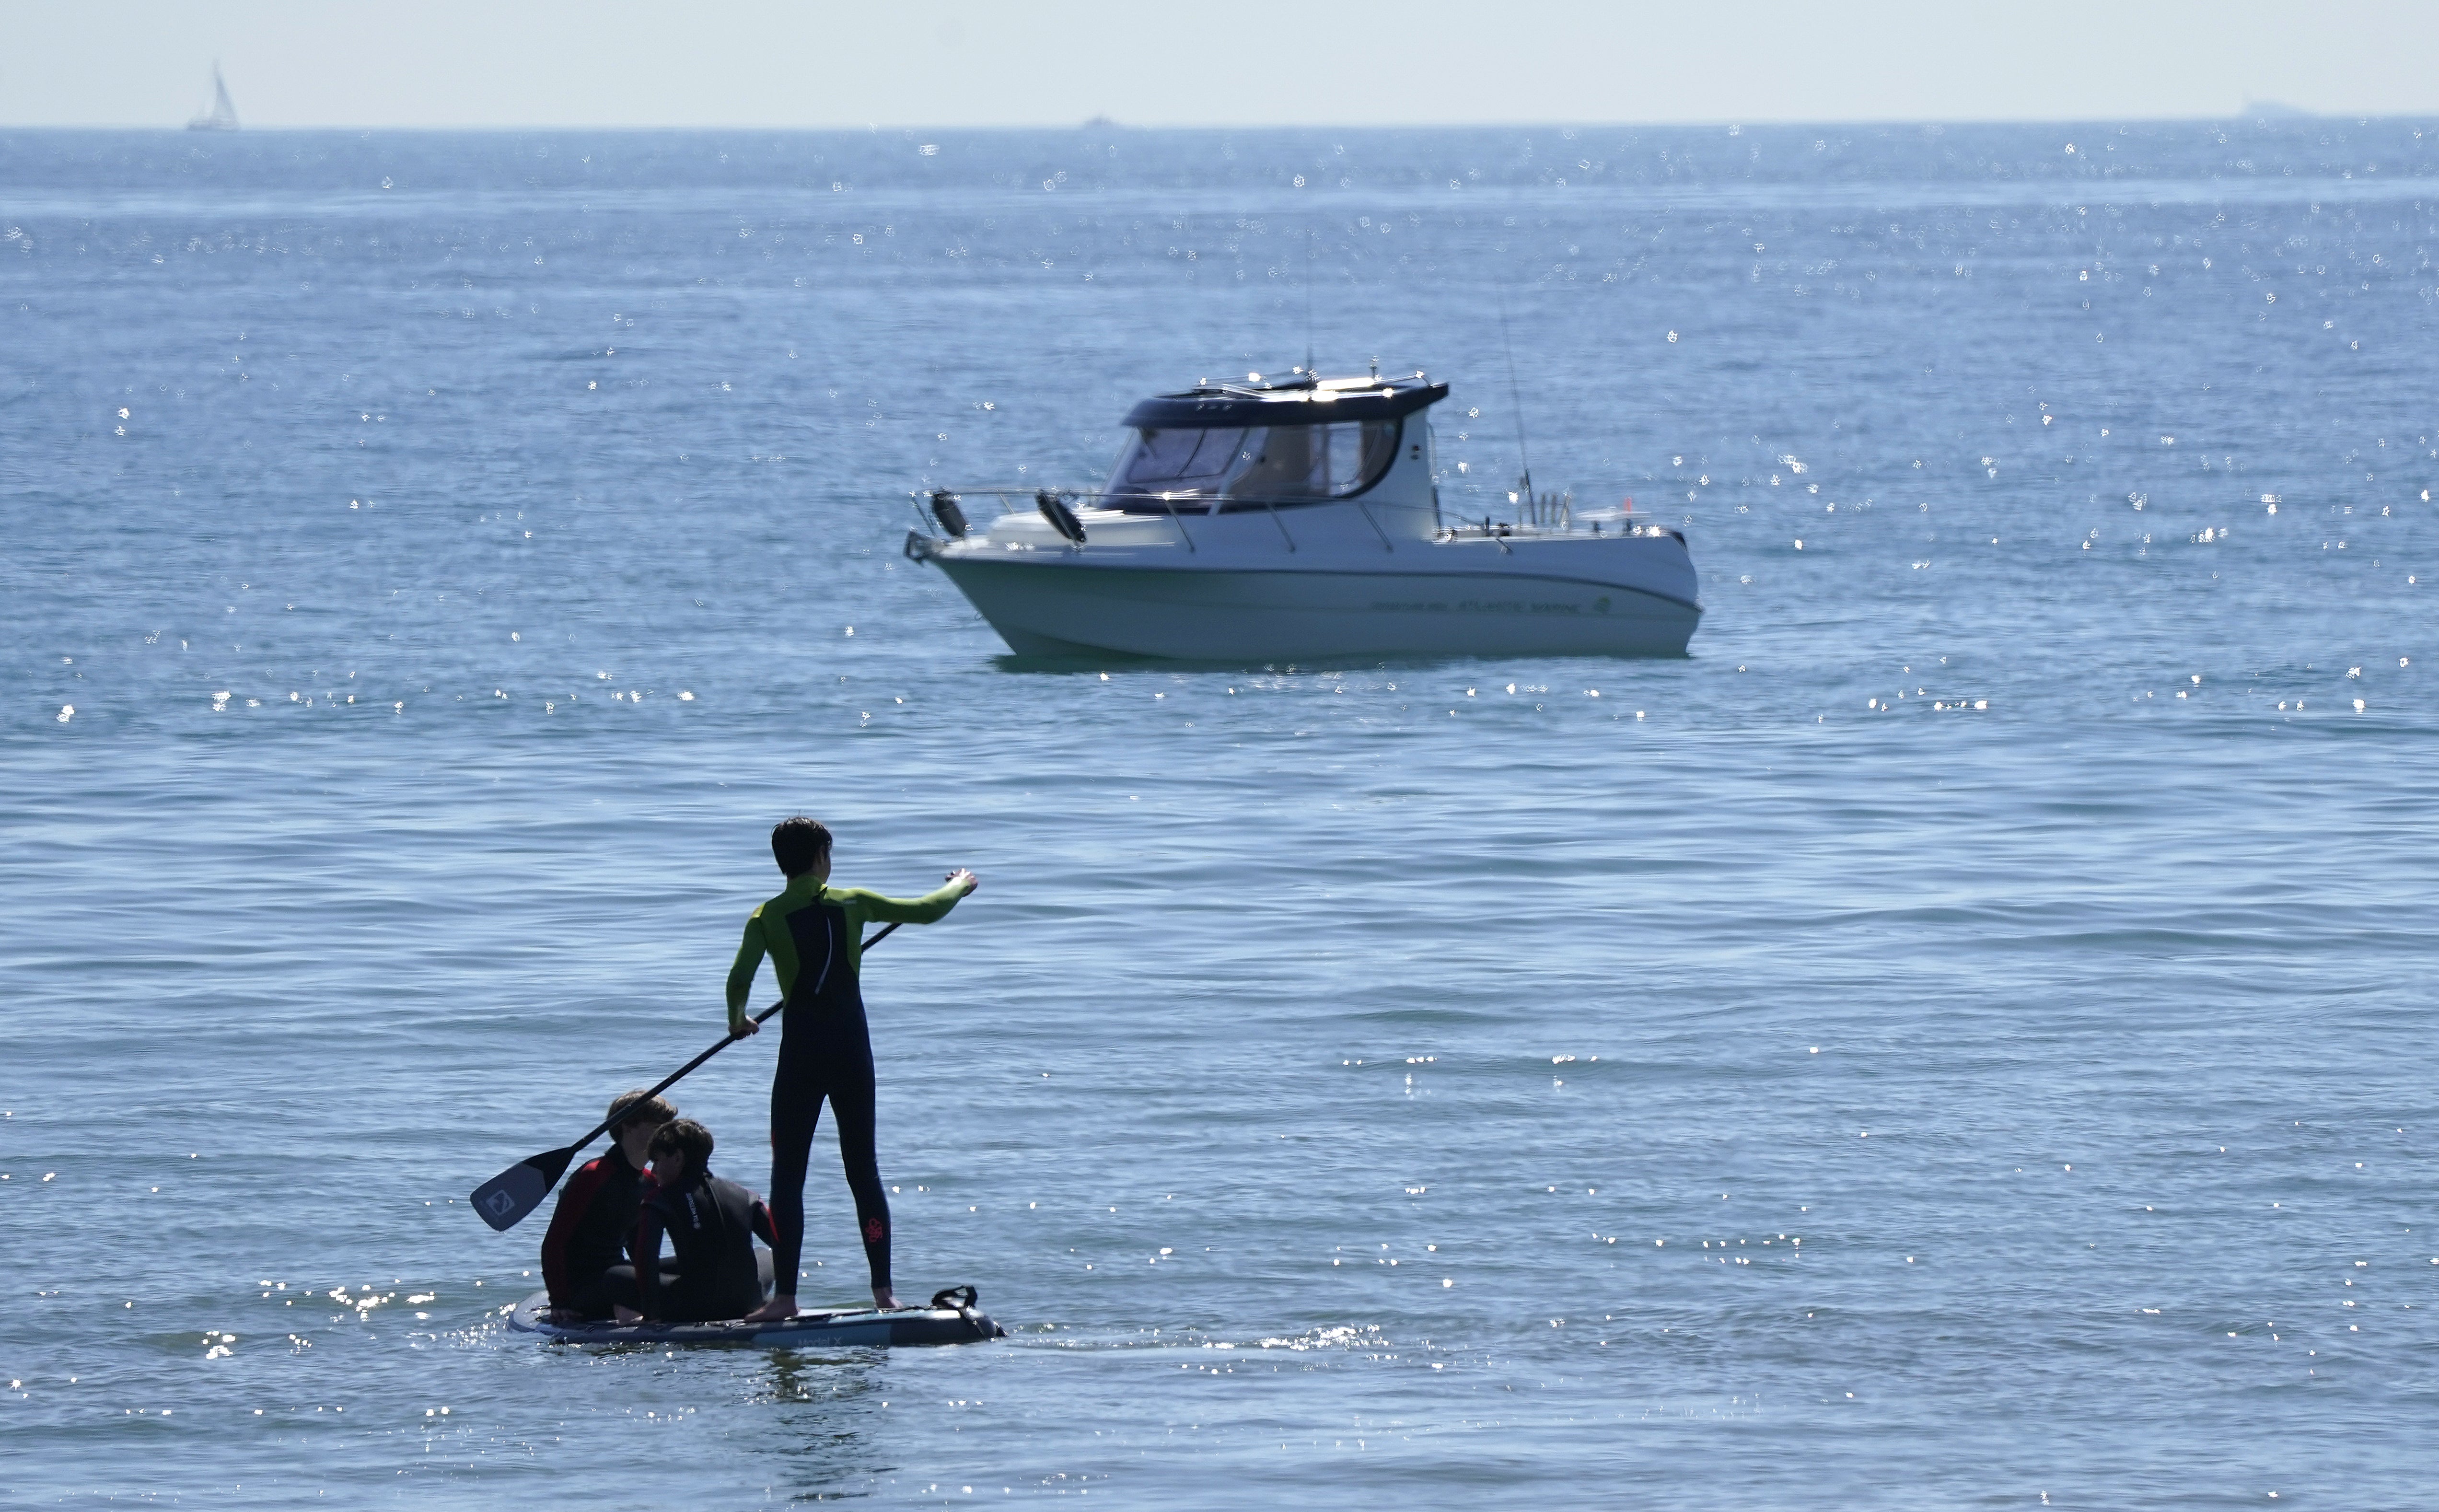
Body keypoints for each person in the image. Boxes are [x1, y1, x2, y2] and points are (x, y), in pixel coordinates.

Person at [726, 816, 977, 1322]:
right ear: (822, 856)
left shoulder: (765, 916)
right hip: (851, 1053)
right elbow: (927, 911)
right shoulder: (854, 902)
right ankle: (884, 1292)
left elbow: (739, 979)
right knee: (863, 1170)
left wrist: (738, 1021)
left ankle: (786, 1299)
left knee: (788, 1178)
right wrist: (958, 885)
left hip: (800, 1056)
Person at [626, 1118, 778, 1323]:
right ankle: (773, 1302)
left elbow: (646, 1258)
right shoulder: (745, 1195)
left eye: (658, 1161)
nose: (654, 1171)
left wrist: (652, 1314)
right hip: (747, 1303)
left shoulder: (659, 1199)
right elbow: (783, 1243)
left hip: (694, 1307)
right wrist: (785, 1295)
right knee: (767, 1255)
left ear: (678, 1158)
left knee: (615, 1276)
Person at [539, 1089, 674, 1320]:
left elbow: (639, 1249)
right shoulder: (593, 1175)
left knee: (693, 1268)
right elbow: (554, 1243)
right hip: (583, 1286)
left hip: (618, 1275)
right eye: (656, 1128)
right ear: (627, 1127)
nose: (665, 1137)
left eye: (667, 1129)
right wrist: (559, 1302)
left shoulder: (650, 1182)